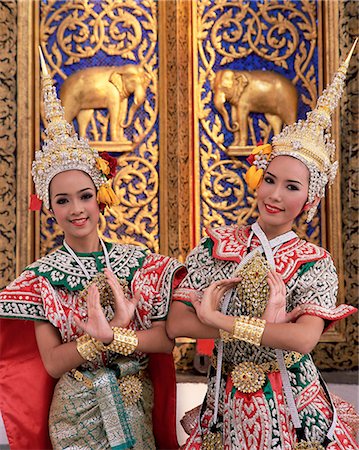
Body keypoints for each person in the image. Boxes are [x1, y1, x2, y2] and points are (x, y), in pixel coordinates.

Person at [167, 41, 359, 449]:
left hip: (295, 406)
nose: (275, 195)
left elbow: (303, 340)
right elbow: (177, 323)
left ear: (309, 200)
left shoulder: (313, 261)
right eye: (270, 180)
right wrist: (271, 329)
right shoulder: (218, 245)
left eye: (291, 187)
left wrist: (220, 321)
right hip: (227, 402)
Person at [0, 53, 185, 450]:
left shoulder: (140, 263)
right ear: (49, 208)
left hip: (134, 407)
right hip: (75, 413)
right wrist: (100, 339)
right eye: (63, 201)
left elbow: (165, 341)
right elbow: (51, 362)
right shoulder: (40, 278)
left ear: (100, 197)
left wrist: (114, 334)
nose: (77, 209)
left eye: (84, 196)